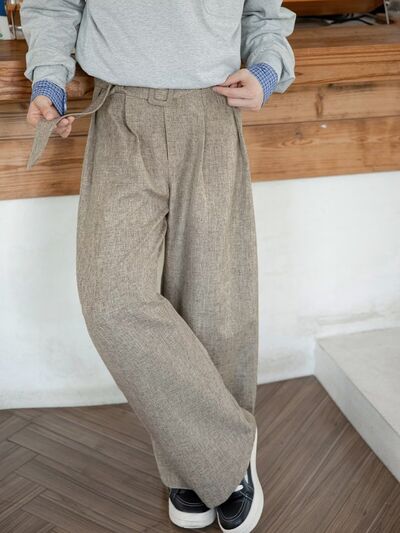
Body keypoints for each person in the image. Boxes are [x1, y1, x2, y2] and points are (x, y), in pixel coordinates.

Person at [21, 1, 296, 531]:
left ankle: (195, 463)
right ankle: (225, 450)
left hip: (212, 107)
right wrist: (50, 77)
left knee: (214, 303)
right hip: (120, 112)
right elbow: (53, 4)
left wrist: (267, 69)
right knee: (111, 300)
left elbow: (264, 12)